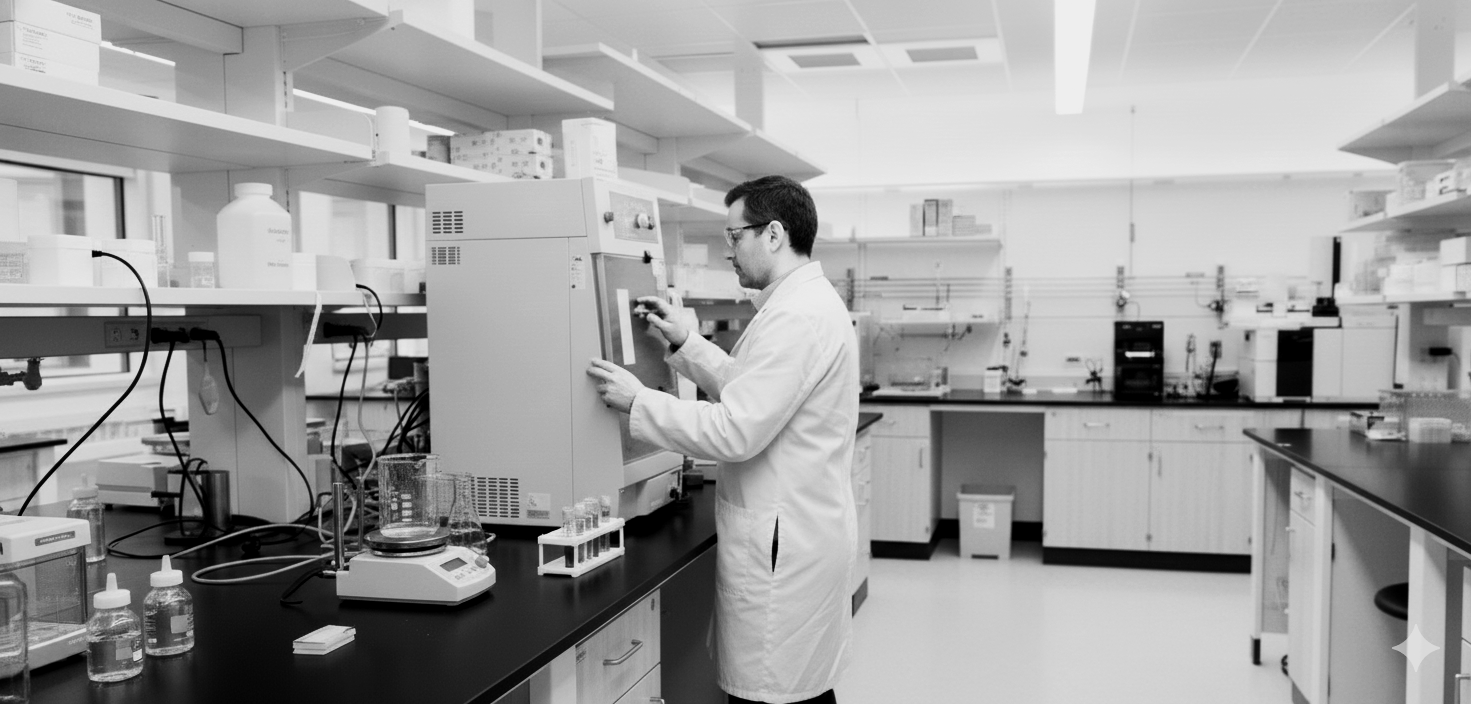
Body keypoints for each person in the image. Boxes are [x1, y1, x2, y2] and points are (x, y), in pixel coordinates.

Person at [587, 175, 859, 704]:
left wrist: (640, 401)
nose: (728, 251)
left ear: (774, 234)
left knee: (778, 698)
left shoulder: (797, 316)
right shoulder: (797, 305)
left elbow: (736, 428)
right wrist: (687, 342)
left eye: (735, 237)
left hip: (786, 545)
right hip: (799, 529)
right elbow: (754, 391)